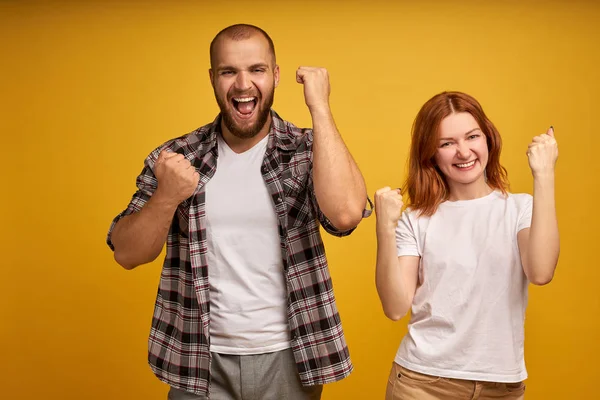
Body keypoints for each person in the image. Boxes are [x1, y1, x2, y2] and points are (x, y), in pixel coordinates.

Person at [106, 24, 371, 400]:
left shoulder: (306, 150)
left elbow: (345, 215)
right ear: (213, 79)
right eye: (229, 71)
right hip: (196, 358)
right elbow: (126, 253)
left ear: (275, 75)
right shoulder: (179, 157)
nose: (243, 85)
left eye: (257, 70)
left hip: (290, 357)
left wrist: (321, 107)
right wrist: (166, 196)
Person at [374, 91, 559, 399]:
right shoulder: (416, 220)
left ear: (488, 139)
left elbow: (540, 272)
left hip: (501, 387)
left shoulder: (520, 209)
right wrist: (384, 228)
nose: (463, 152)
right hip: (422, 385)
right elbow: (395, 307)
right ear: (431, 154)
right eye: (447, 143)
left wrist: (544, 174)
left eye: (472, 136)